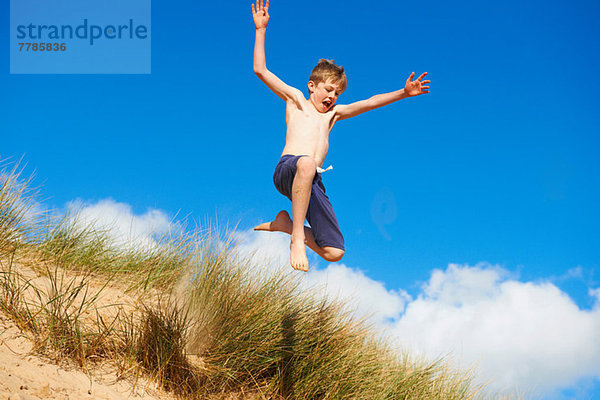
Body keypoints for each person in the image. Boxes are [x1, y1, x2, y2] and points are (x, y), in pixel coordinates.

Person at [251, 0, 430, 272]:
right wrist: (261, 30)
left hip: (311, 181)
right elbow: (261, 71)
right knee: (307, 163)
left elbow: (369, 102)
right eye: (329, 89)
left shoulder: (332, 115)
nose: (333, 97)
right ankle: (297, 238)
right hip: (289, 169)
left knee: (334, 252)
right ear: (312, 86)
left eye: (337, 93)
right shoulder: (297, 100)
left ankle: (286, 225)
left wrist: (402, 93)